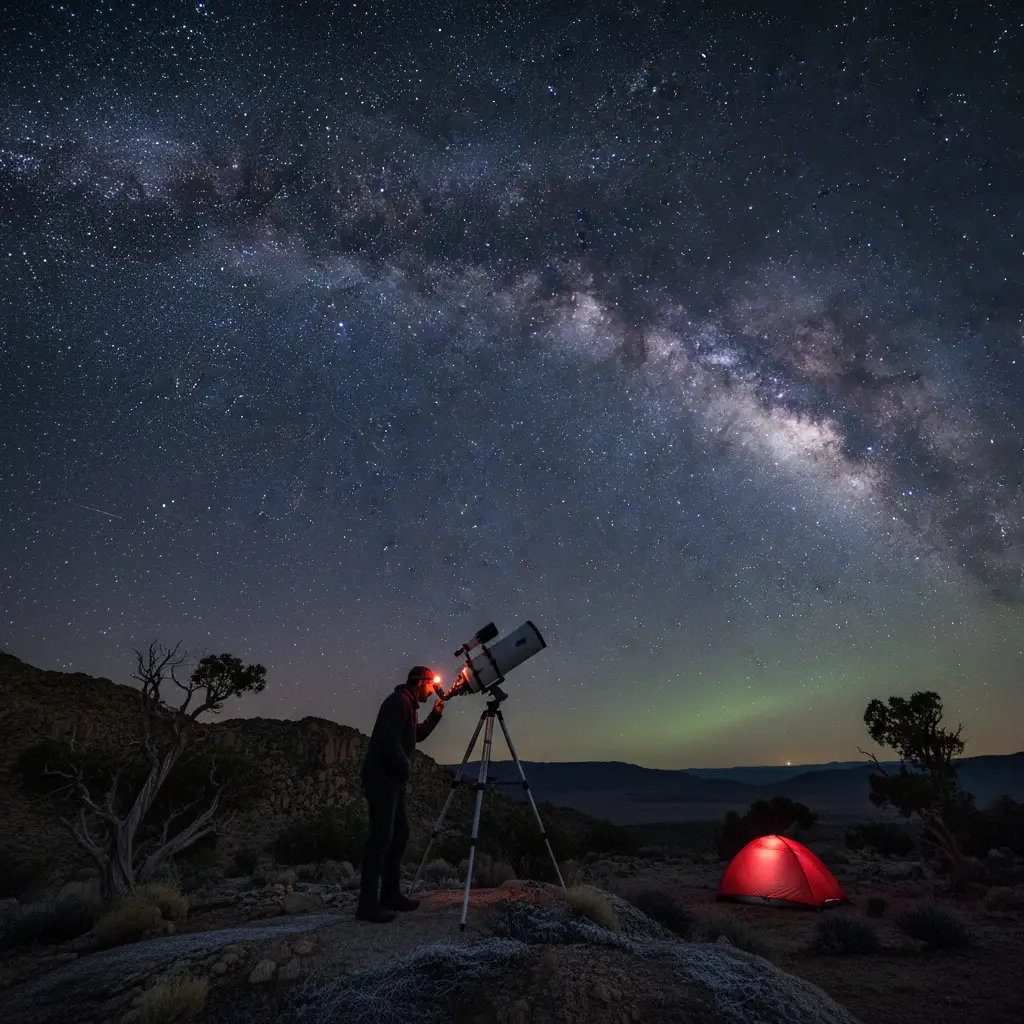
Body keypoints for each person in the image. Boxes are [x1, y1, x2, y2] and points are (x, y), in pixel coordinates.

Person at [356, 665, 446, 923]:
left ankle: (390, 895)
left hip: (393, 780)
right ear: (420, 683)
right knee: (380, 839)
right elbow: (389, 740)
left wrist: (436, 715)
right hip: (382, 779)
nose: (432, 690)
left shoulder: (409, 705)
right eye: (431, 685)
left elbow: (417, 735)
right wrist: (404, 766)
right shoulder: (398, 702)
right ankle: (367, 905)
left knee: (400, 834)